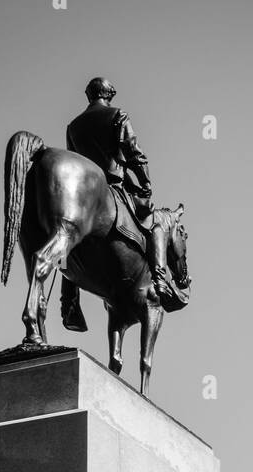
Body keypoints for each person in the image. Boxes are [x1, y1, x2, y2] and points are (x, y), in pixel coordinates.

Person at [64, 77, 169, 324]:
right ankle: (159, 283)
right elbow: (133, 150)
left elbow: (73, 160)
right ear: (109, 93)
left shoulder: (73, 126)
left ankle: (68, 303)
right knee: (155, 224)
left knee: (64, 245)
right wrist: (145, 183)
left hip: (82, 195)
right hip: (114, 186)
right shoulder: (117, 115)